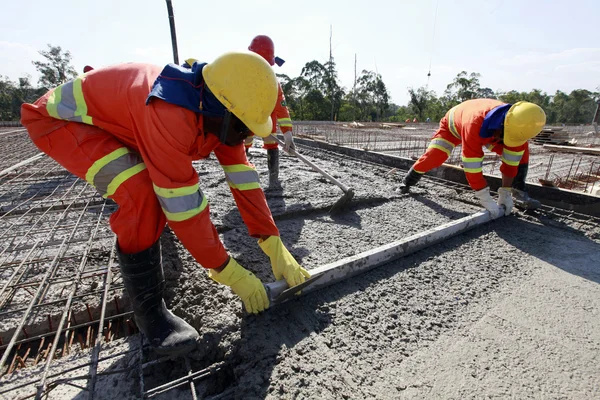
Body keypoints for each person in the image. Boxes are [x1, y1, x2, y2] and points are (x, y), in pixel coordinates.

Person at [20, 52, 310, 356]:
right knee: (141, 192)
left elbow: (244, 179)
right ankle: (151, 317)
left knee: (149, 188)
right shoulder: (170, 113)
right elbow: (184, 209)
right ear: (223, 111)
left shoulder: (212, 110)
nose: (246, 137)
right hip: (62, 122)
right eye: (244, 128)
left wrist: (274, 244)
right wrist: (228, 271)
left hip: (117, 124)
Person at [399, 99, 546, 213]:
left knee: (522, 152)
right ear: (502, 126)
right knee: (435, 156)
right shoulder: (474, 124)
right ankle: (407, 182)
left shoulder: (519, 126)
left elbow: (511, 163)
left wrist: (505, 192)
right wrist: (484, 196)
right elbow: (472, 166)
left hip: (489, 131)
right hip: (453, 128)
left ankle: (518, 191)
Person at [244, 35, 294, 187]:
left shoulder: (273, 82)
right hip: (245, 116)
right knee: (244, 141)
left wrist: (288, 133)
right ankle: (243, 176)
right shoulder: (242, 76)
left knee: (271, 143)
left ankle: (273, 179)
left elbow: (281, 107)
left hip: (266, 117)